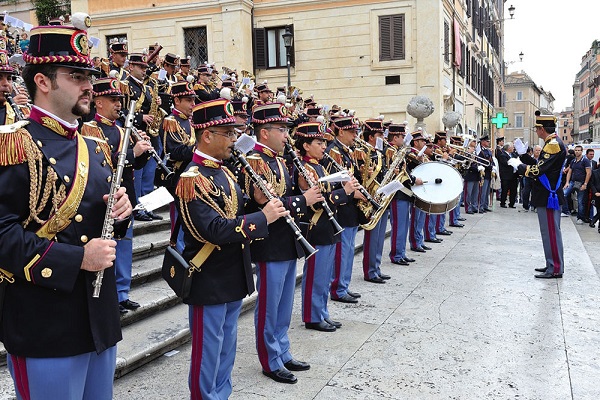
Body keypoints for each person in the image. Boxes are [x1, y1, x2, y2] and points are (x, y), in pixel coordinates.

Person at [1, 18, 132, 398]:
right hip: (46, 324)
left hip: (99, 318)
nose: (89, 85)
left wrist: (120, 212)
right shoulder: (13, 145)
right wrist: (77, 259)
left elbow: (100, 225)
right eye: (76, 75)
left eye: (88, 74)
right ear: (43, 81)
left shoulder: (94, 143)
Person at [177, 98, 287, 399]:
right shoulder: (192, 179)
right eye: (227, 133)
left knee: (227, 346)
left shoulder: (225, 172)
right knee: (208, 348)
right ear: (207, 135)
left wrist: (264, 204)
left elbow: (237, 212)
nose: (234, 139)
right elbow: (211, 230)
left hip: (232, 273)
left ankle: (221, 394)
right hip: (209, 276)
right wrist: (262, 218)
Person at [244, 103, 322, 384]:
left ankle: (283, 351)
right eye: (281, 129)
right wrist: (304, 199)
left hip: (286, 241)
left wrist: (303, 187)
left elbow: (285, 194)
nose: (286, 135)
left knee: (284, 303)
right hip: (269, 243)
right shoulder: (255, 160)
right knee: (269, 305)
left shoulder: (278, 159)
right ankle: (269, 359)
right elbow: (266, 202)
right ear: (264, 132)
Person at [82, 77, 152, 314]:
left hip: (126, 197)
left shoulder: (122, 129)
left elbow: (135, 166)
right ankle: (110, 295)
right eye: (113, 100)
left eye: (119, 100)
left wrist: (143, 152)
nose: (118, 104)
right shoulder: (90, 129)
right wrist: (134, 153)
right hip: (104, 198)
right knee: (109, 247)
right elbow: (102, 163)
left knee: (125, 247)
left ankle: (122, 294)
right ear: (98, 102)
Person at [294, 122, 355, 332]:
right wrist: (344, 191)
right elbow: (319, 200)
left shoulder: (320, 165)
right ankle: (312, 315)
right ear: (306, 146)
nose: (323, 146)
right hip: (316, 226)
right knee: (315, 275)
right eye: (318, 142)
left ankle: (322, 312)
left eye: (323, 142)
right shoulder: (304, 168)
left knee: (325, 274)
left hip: (328, 226)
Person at [509, 112, 566, 279]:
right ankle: (551, 263)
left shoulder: (552, 145)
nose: (536, 131)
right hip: (546, 194)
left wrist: (519, 166)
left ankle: (555, 267)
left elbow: (537, 170)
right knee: (548, 232)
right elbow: (540, 164)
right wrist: (524, 156)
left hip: (549, 195)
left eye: (537, 129)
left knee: (551, 233)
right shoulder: (550, 143)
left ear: (542, 129)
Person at [323, 116, 366, 299]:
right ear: (341, 131)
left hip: (350, 208)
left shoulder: (345, 151)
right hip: (342, 208)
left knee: (348, 251)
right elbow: (332, 184)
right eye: (352, 132)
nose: (355, 136)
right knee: (343, 252)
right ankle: (338, 288)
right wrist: (354, 193)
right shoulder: (334, 152)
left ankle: (344, 285)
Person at [561, 145, 591, 223]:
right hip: (573, 181)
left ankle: (580, 217)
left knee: (580, 201)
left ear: (582, 151)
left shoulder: (585, 160)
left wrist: (585, 184)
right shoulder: (573, 161)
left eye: (579, 150)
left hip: (581, 182)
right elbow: (569, 172)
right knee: (563, 194)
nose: (577, 151)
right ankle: (565, 211)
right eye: (576, 150)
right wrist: (567, 182)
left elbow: (588, 173)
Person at [497, 142, 518, 208]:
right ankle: (503, 202)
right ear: (508, 148)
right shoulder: (503, 155)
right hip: (506, 175)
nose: (513, 148)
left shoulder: (514, 154)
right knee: (505, 189)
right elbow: (506, 163)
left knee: (514, 190)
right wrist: (512, 162)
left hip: (514, 175)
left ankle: (512, 203)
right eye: (512, 147)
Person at [522, 145, 541, 212]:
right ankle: (525, 206)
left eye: (539, 150)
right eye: (536, 150)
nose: (537, 152)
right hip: (528, 177)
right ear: (533, 151)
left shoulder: (541, 160)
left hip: (537, 178)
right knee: (526, 191)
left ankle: (534, 205)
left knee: (535, 192)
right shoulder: (529, 158)